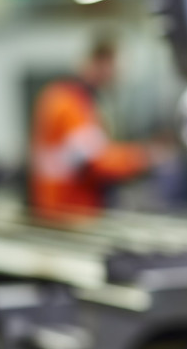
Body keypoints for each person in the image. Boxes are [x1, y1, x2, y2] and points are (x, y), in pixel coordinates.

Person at [29, 37, 155, 220]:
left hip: (61, 210)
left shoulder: (59, 95)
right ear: (102, 63)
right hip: (69, 213)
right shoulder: (69, 103)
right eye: (115, 66)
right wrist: (144, 157)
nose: (118, 74)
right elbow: (96, 161)